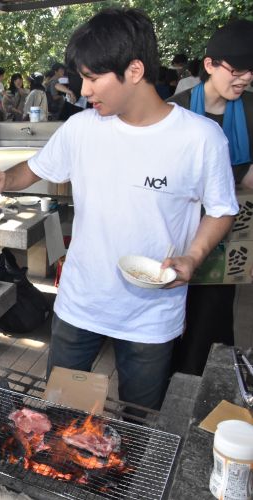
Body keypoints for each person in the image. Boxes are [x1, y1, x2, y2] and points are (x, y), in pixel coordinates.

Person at [0, 7, 238, 411]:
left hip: (151, 316)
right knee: (63, 413)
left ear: (134, 71)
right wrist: (4, 180)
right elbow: (35, 169)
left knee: (138, 420)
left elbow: (222, 210)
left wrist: (193, 257)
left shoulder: (201, 138)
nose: (83, 91)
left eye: (92, 77)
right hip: (81, 303)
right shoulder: (82, 129)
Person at [168, 19, 253, 376]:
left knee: (213, 314)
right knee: (174, 309)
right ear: (209, 65)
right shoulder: (177, 110)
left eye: (250, 73)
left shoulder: (250, 110)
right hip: (180, 226)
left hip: (229, 231)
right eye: (236, 71)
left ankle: (202, 387)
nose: (244, 79)